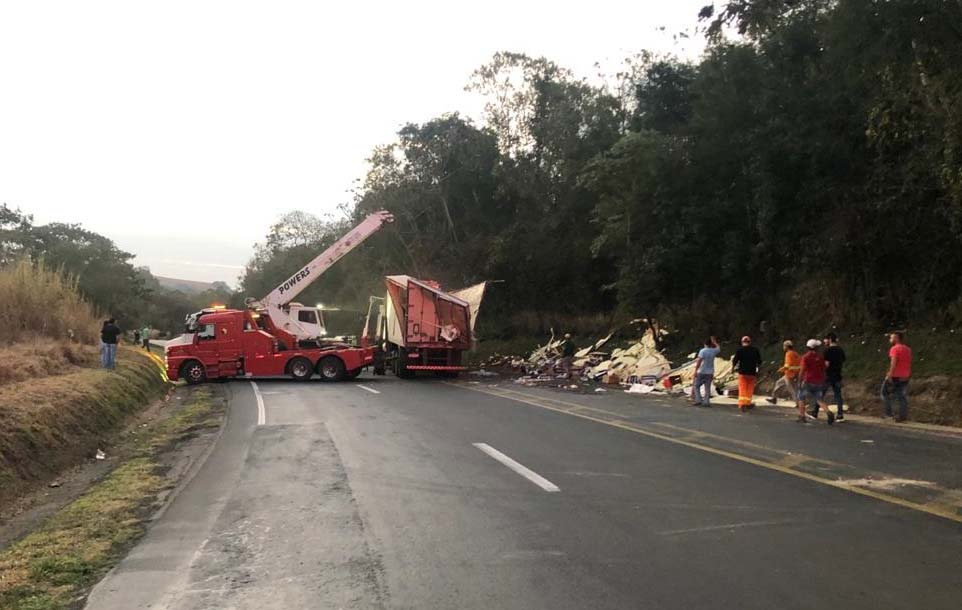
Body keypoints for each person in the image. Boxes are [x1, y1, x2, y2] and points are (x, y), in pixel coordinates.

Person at [797, 339, 832, 424]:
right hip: (819, 381)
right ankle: (828, 412)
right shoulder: (820, 357)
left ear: (808, 347)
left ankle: (802, 416)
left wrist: (799, 380)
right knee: (819, 399)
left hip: (808, 380)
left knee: (801, 398)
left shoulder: (806, 357)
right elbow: (824, 368)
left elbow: (802, 370)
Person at [883, 331, 912, 422]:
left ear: (896, 338)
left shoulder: (894, 349)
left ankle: (889, 414)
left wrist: (889, 374)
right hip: (905, 375)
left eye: (891, 338)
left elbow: (893, 363)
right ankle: (902, 416)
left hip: (895, 375)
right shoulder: (907, 349)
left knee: (884, 393)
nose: (890, 339)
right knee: (901, 396)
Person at [731, 335, 762, 413]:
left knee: (742, 388)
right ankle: (748, 403)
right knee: (750, 389)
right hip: (752, 372)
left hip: (742, 372)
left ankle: (742, 404)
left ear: (742, 342)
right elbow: (759, 361)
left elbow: (735, 360)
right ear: (750, 342)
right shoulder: (755, 350)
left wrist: (733, 368)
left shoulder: (739, 350)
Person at [766, 340, 800, 405]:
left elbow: (787, 365)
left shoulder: (788, 354)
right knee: (778, 383)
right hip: (794, 373)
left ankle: (798, 403)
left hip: (789, 374)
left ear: (787, 347)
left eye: (784, 346)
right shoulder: (795, 353)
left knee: (792, 389)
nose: (783, 347)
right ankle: (774, 398)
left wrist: (781, 369)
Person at [823, 332, 847, 421]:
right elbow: (843, 360)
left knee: (820, 395)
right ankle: (840, 415)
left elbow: (826, 364)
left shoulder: (827, 350)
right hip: (837, 375)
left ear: (829, 340)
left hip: (828, 375)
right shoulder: (840, 349)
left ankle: (815, 412)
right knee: (838, 395)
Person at [692, 336, 721, 407]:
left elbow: (699, 361)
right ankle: (706, 401)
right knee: (707, 387)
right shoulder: (714, 351)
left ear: (705, 344)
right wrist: (715, 342)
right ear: (711, 344)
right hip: (710, 372)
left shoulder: (703, 351)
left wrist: (695, 370)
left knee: (696, 385)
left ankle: (698, 399)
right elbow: (719, 348)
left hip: (702, 371)